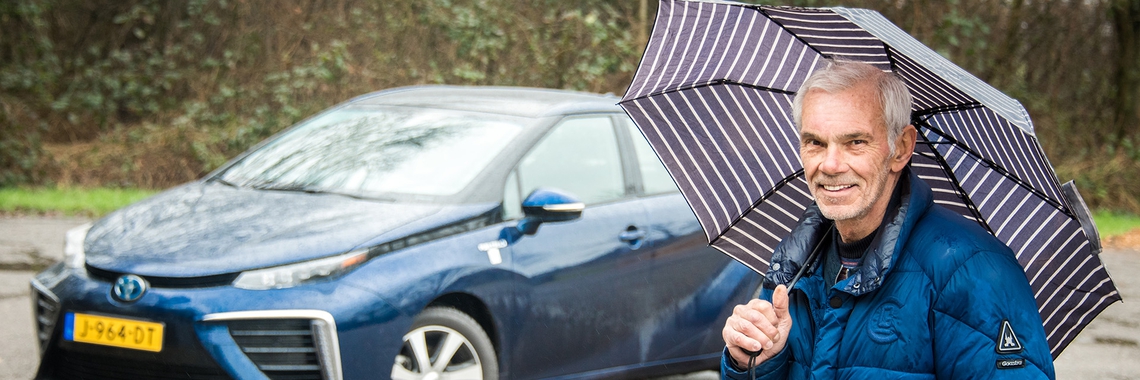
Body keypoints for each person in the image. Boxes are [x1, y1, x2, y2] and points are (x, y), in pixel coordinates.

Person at [720, 60, 1056, 379]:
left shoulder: (974, 269)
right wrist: (756, 361)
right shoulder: (793, 266)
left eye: (855, 142)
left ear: (900, 148)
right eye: (815, 143)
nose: (830, 164)